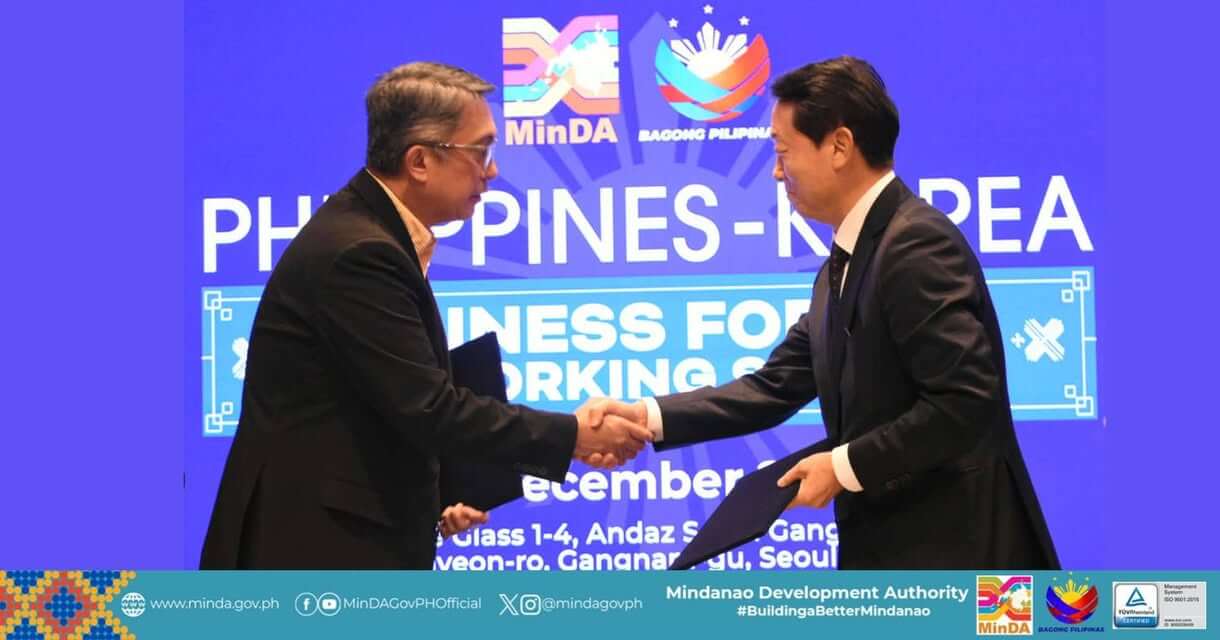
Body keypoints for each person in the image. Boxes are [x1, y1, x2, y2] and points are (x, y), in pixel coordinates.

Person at [586, 57, 1059, 569]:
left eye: (782, 150)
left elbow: (964, 403)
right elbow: (774, 386)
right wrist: (647, 418)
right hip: (896, 554)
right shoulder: (846, 261)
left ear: (839, 146)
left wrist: (843, 466)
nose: (775, 170)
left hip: (961, 561)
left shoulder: (915, 244)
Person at [200, 62, 649, 569]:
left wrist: (443, 488)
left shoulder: (373, 233)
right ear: (419, 161)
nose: (493, 170)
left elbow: (375, 404)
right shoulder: (359, 252)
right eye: (480, 150)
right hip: (312, 555)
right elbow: (429, 407)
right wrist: (574, 435)